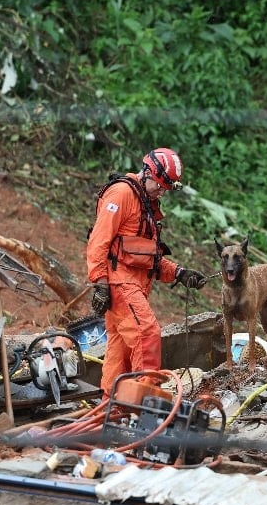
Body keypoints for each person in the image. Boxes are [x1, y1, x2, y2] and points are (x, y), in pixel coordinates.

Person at [86, 148, 208, 396]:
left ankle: (113, 407)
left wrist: (179, 273)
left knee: (119, 353)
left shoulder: (146, 205)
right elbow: (98, 241)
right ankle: (145, 402)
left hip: (132, 284)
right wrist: (99, 282)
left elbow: (145, 256)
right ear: (147, 173)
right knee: (146, 333)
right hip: (120, 285)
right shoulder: (121, 194)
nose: (161, 192)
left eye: (166, 188)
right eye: (160, 186)